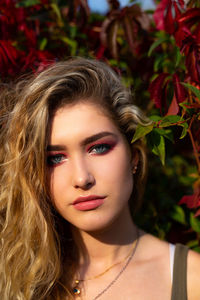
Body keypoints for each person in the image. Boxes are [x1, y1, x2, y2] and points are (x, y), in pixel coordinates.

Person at [0, 58, 200, 300]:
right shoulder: (16, 274)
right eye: (54, 159)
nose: (82, 178)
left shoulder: (191, 279)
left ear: (134, 158)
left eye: (99, 148)